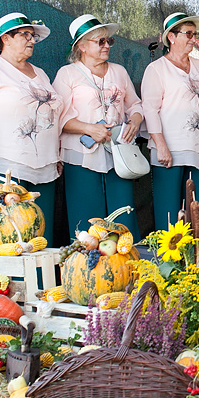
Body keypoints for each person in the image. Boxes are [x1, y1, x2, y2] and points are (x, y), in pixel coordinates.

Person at [0, 12, 61, 245]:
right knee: (11, 232)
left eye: (33, 36)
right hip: (7, 166)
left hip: (45, 167)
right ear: (5, 39)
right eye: (25, 35)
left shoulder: (41, 73)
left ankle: (42, 282)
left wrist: (56, 154)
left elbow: (53, 113)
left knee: (40, 233)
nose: (31, 40)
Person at [53, 15, 143, 238]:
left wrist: (135, 120)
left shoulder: (119, 71)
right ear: (81, 46)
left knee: (124, 216)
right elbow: (59, 118)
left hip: (118, 154)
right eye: (100, 42)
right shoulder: (67, 74)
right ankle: (86, 269)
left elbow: (136, 105)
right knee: (86, 220)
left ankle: (130, 269)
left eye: (108, 41)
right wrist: (89, 128)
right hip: (82, 157)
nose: (106, 46)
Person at [142, 12, 199, 238]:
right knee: (169, 211)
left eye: (195, 34)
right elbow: (150, 110)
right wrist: (160, 145)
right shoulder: (156, 69)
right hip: (170, 148)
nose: (193, 39)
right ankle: (170, 267)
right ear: (171, 37)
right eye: (188, 34)